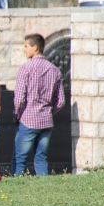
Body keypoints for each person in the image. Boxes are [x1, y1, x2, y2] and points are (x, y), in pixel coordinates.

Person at [12, 33, 65, 176]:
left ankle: (16, 188)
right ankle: (44, 189)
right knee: (41, 158)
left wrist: (17, 115)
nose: (24, 50)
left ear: (35, 47)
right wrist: (48, 111)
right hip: (46, 122)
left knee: (19, 159)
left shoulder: (26, 68)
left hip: (28, 119)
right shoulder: (55, 70)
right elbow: (60, 101)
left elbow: (19, 99)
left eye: (26, 46)